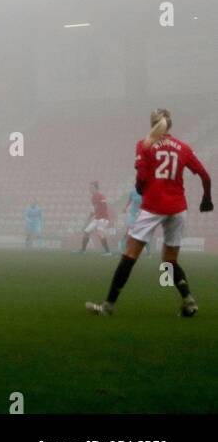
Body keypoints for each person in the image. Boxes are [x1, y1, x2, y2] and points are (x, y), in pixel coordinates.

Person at [87, 109, 212, 317]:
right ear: (169, 124)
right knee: (169, 262)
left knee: (129, 256)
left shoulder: (144, 144)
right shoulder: (183, 147)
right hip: (178, 208)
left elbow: (142, 178)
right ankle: (189, 301)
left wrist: (139, 188)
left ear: (152, 124)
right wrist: (206, 199)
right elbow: (205, 176)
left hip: (154, 207)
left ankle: (107, 306)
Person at [79, 181, 113, 255]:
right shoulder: (93, 197)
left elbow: (104, 206)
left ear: (96, 188)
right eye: (89, 188)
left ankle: (108, 252)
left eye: (91, 188)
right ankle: (83, 251)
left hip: (103, 218)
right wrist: (89, 217)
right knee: (86, 232)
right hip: (97, 218)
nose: (90, 189)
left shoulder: (101, 196)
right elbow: (94, 209)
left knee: (100, 232)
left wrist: (104, 217)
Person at [121, 187, 149, 255]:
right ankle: (126, 250)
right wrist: (125, 207)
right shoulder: (132, 192)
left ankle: (147, 251)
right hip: (133, 215)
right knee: (129, 232)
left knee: (143, 233)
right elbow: (129, 200)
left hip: (142, 215)